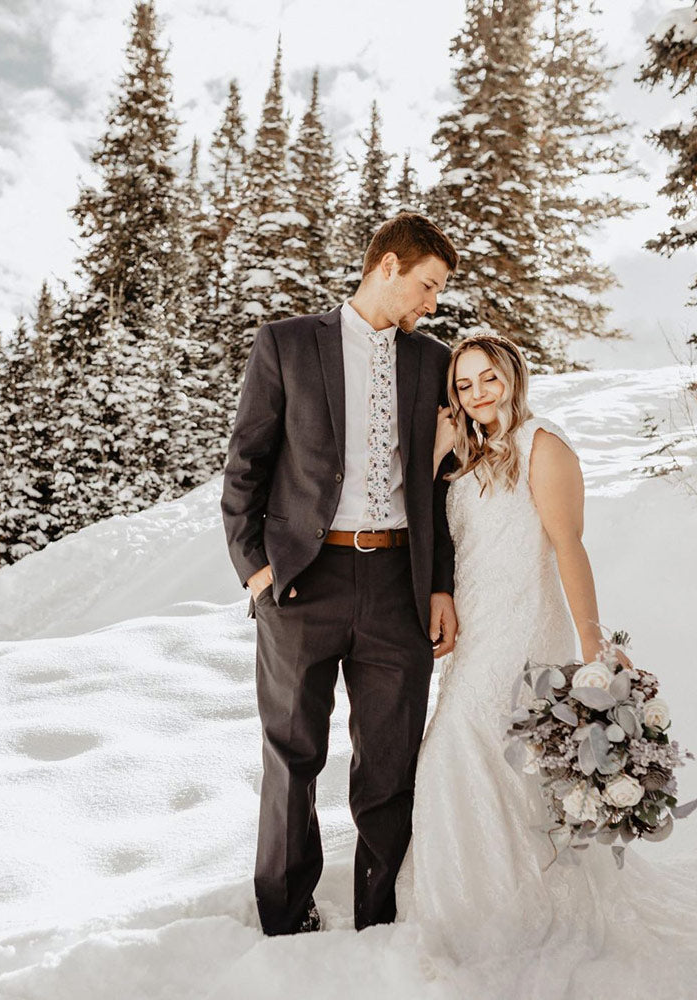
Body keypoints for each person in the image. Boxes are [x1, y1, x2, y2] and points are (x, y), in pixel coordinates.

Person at [396, 333, 697, 995]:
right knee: (478, 758)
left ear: (513, 375)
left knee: (462, 747)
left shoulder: (543, 443)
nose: (478, 393)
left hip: (524, 629)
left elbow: (569, 547)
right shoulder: (466, 453)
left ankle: (504, 913)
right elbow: (428, 529)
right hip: (476, 629)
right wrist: (432, 455)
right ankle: (468, 905)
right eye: (464, 385)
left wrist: (594, 643)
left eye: (488, 378)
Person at [221, 212, 461, 935]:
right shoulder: (289, 344)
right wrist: (257, 573)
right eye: (427, 285)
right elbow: (245, 468)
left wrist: (440, 584)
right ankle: (285, 913)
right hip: (303, 583)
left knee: (389, 762)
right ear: (386, 264)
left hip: (398, 584)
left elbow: (440, 486)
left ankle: (380, 915)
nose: (432, 303)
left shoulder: (431, 360)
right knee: (292, 755)